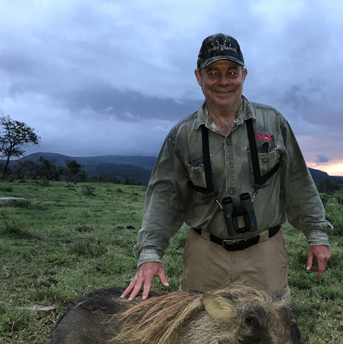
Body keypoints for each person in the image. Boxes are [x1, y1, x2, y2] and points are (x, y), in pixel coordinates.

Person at [122, 33, 332, 301]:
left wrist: (316, 235)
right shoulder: (182, 135)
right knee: (198, 331)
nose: (223, 81)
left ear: (244, 75)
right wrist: (150, 254)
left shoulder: (273, 122)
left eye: (232, 72)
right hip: (206, 252)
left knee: (269, 333)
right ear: (199, 77)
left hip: (264, 250)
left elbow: (298, 181)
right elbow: (164, 197)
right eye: (213, 72)